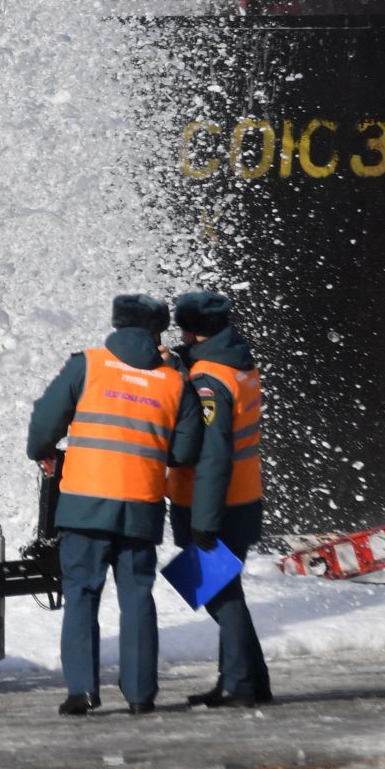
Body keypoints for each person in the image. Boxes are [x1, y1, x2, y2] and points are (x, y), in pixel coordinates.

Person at [27, 294, 203, 716]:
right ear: (157, 332)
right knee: (138, 598)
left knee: (82, 593)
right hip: (140, 507)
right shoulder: (174, 382)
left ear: (117, 325)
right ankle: (141, 695)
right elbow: (187, 450)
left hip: (85, 505)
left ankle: (83, 691)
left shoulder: (87, 364)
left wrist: (44, 450)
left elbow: (42, 425)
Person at [167, 288, 272, 709]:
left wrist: (204, 522)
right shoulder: (238, 362)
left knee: (219, 593)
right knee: (227, 591)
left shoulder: (208, 380)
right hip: (245, 496)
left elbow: (212, 456)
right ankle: (246, 681)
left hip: (215, 504)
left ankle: (242, 684)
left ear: (191, 330)